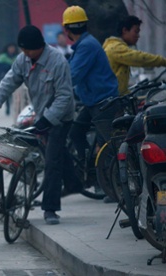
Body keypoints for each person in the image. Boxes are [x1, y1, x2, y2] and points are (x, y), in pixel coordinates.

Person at [0, 25, 75, 225]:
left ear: (40, 47)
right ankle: (74, 183)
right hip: (41, 114)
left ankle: (50, 208)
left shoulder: (57, 62)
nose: (25, 54)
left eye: (28, 50)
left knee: (52, 162)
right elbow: (8, 83)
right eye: (23, 50)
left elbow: (64, 96)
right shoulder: (23, 60)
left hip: (61, 117)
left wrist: (48, 119)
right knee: (57, 153)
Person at [62, 5, 120, 203]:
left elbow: (73, 75)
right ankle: (91, 171)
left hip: (104, 102)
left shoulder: (86, 46)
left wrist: (58, 92)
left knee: (109, 146)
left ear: (66, 30)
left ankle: (114, 188)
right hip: (93, 100)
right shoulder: (84, 44)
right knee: (76, 133)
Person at [102, 15, 166, 95]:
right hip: (112, 99)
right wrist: (163, 61)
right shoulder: (115, 48)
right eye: (136, 31)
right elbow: (140, 58)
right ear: (125, 30)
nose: (138, 35)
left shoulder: (114, 46)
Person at [0, 43, 19, 115]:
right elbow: (0, 67)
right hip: (4, 77)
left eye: (13, 48)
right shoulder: (2, 57)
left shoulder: (18, 57)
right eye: (10, 48)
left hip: (16, 78)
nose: (11, 49)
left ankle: (14, 107)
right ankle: (8, 107)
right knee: (6, 93)